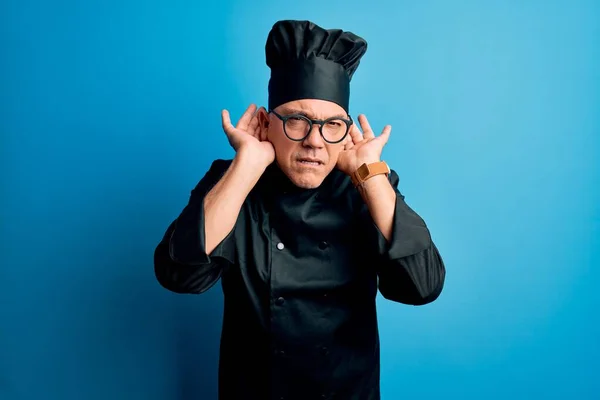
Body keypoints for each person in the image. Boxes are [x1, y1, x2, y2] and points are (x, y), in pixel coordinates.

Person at [154, 19, 446, 400]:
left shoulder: (365, 187)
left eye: (332, 125)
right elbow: (179, 275)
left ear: (346, 133)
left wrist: (371, 175)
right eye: (297, 121)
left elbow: (422, 286)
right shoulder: (234, 182)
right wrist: (246, 166)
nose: (314, 141)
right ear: (265, 122)